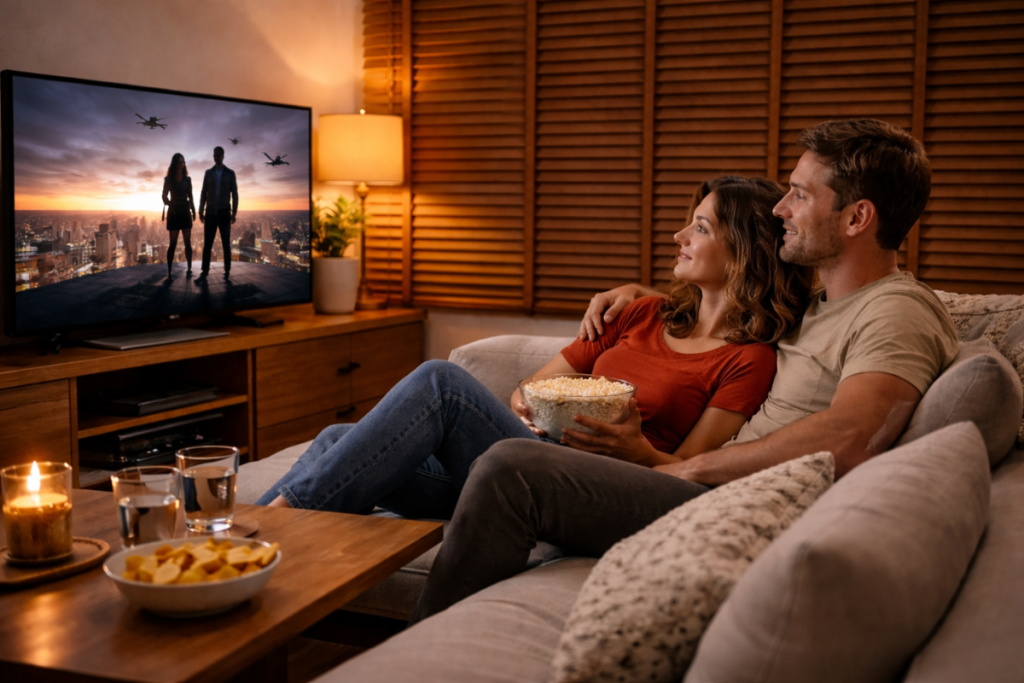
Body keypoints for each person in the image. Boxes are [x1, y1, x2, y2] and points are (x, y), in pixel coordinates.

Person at [408, 118, 961, 625]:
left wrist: (683, 471)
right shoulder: (819, 305)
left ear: (858, 217)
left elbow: (853, 434)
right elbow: (734, 303)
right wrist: (651, 301)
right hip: (698, 483)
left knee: (511, 464)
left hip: (727, 501)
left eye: (799, 194)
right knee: (385, 439)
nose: (780, 209)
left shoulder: (896, 310)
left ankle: (419, 654)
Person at [256, 176, 812, 524]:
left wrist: (637, 448)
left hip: (601, 489)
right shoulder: (638, 313)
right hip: (527, 453)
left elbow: (693, 468)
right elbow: (527, 392)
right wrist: (536, 410)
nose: (678, 238)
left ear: (741, 249)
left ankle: (270, 530)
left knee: (440, 382)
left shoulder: (748, 358)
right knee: (335, 440)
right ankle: (250, 541)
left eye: (699, 228)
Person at [197, 146, 238, 280]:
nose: (217, 157)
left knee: (226, 244)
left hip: (225, 213)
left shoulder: (230, 173)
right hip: (210, 213)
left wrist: (234, 213)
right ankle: (204, 271)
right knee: (207, 244)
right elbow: (203, 192)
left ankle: (227, 271)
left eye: (219, 155)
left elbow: (235, 194)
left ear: (223, 156)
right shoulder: (208, 173)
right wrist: (201, 210)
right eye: (215, 155)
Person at [161, 152, 196, 279]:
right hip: (174, 215)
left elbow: (190, 196)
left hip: (185, 214)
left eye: (184, 162)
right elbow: (164, 196)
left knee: (188, 243)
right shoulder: (168, 180)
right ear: (176, 164)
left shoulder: (188, 179)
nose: (183, 164)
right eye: (181, 162)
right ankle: (169, 272)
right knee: (172, 244)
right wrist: (170, 204)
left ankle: (190, 267)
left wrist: (193, 210)